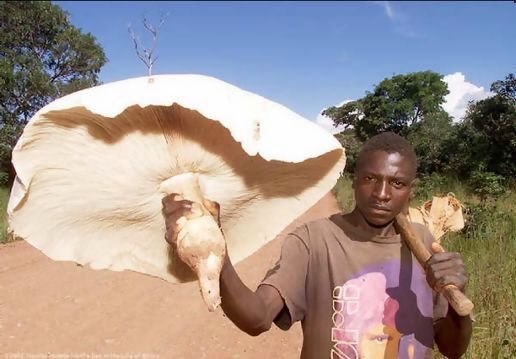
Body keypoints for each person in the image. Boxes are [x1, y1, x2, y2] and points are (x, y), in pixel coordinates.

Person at [162, 132, 472, 359]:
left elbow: (451, 348)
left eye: (397, 183)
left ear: (410, 190)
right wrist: (218, 250)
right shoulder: (314, 241)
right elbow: (256, 318)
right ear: (353, 180)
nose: (381, 193)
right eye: (370, 179)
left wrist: (457, 299)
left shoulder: (427, 245)